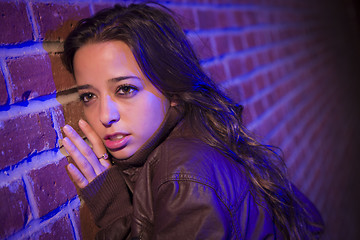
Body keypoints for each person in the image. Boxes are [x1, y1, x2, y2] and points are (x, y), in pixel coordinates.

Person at [61, 2, 324, 239]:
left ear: (173, 92)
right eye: (88, 96)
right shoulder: (202, 138)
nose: (106, 116)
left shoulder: (181, 172)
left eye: (126, 89)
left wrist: (116, 215)